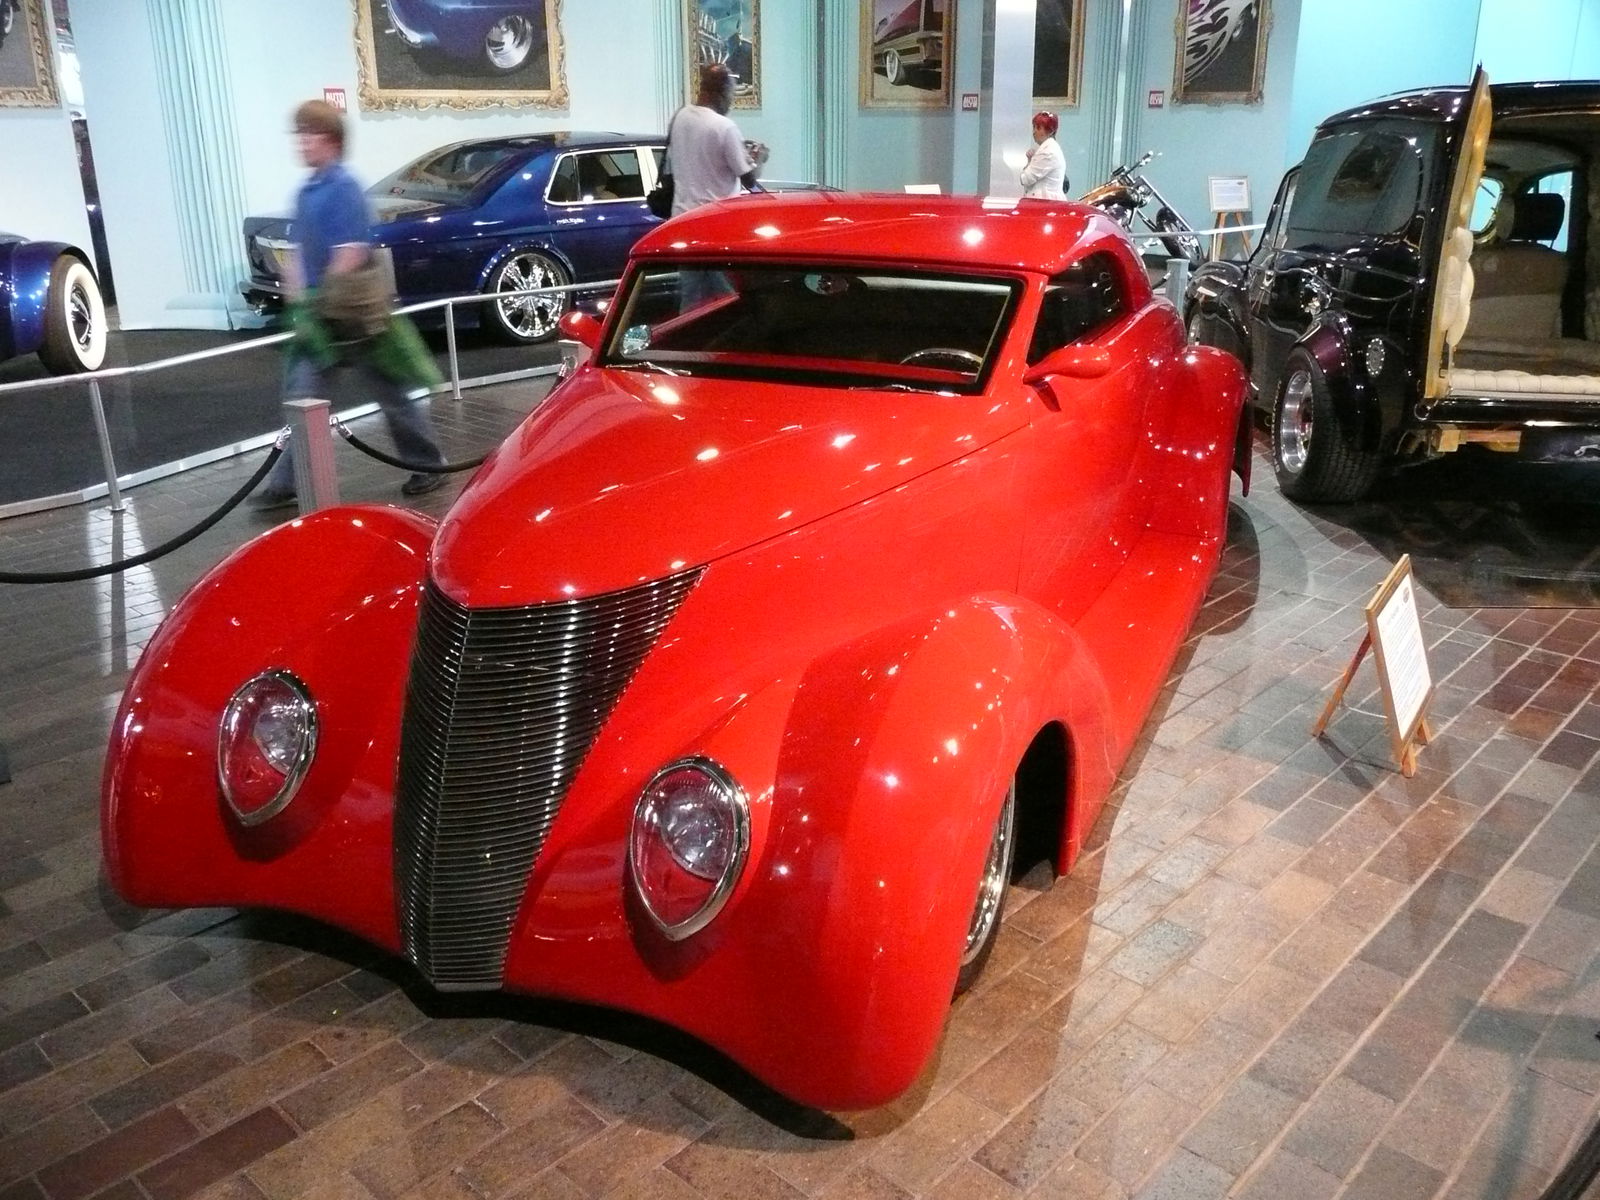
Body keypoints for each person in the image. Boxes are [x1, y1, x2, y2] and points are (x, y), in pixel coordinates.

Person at [252, 99, 447, 510]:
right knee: (303, 396)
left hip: (352, 316)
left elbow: (351, 251)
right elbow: (304, 249)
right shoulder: (308, 191)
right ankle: (286, 482)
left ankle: (428, 465)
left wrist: (318, 297)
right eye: (299, 134)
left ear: (330, 141)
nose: (301, 142)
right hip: (321, 318)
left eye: (308, 134)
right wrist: (296, 289)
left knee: (389, 392)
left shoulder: (344, 189)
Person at [669, 62, 768, 217]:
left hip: (681, 217)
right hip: (713, 218)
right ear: (721, 92)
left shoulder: (681, 116)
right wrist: (760, 158)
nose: (730, 103)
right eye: (731, 96)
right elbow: (749, 180)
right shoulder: (725, 127)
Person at [1020, 110, 1068, 201]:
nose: (1034, 132)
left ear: (1050, 131)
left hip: (1045, 203)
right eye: (1033, 127)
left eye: (1038, 128)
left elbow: (1025, 179)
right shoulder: (1049, 148)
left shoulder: (1047, 152)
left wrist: (1030, 162)